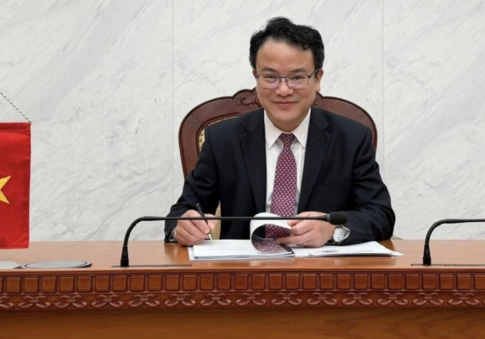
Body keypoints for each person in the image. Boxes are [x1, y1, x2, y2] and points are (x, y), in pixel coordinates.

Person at [165, 17, 395, 247]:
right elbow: (182, 212)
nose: (283, 90)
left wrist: (331, 230)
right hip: (241, 273)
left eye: (297, 77)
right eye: (271, 77)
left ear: (317, 79)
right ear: (256, 78)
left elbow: (380, 214)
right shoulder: (222, 139)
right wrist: (182, 227)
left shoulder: (351, 139)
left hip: (323, 275)